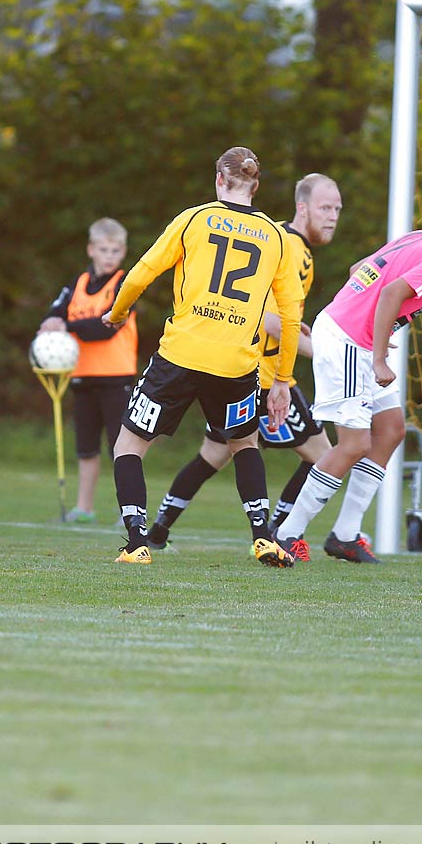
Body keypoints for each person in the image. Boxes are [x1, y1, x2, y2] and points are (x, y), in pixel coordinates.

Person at [275, 194, 422, 562]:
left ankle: (345, 535)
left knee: (391, 431)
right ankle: (287, 534)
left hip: (353, 332)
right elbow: (391, 291)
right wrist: (378, 357)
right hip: (350, 340)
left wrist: (374, 323)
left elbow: (359, 269)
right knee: (354, 444)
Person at [103, 146, 305, 566]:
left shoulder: (194, 218)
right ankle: (262, 536)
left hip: (182, 353)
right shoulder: (275, 237)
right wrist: (282, 378)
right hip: (236, 362)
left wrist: (117, 313)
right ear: (256, 184)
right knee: (243, 443)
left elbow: (142, 271)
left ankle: (138, 541)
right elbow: (290, 315)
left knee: (129, 443)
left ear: (219, 179)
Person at [146, 173, 342, 559]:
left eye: (337, 208)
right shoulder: (293, 249)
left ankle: (158, 530)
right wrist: (331, 352)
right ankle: (282, 534)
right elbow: (270, 320)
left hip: (242, 369)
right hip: (266, 377)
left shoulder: (281, 239)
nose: (333, 216)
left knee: (213, 456)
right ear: (302, 207)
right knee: (324, 457)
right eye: (325, 207)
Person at [37, 218, 137, 523]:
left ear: (123, 252)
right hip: (81, 374)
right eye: (104, 249)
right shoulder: (77, 283)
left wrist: (66, 326)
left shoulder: (125, 284)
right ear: (91, 249)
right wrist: (50, 324)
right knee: (86, 447)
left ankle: (129, 509)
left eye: (116, 250)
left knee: (120, 446)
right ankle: (84, 508)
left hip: (116, 376)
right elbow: (55, 311)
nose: (109, 255)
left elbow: (105, 329)